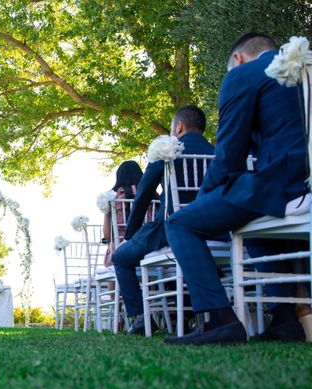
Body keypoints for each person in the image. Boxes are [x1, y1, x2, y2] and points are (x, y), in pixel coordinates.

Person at [164, 33, 308, 345]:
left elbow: (228, 156)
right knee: (251, 223)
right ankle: (284, 320)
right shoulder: (302, 68)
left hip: (286, 184)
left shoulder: (243, 75)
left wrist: (203, 202)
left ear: (238, 59)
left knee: (179, 223)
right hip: (301, 185)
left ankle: (220, 320)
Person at [112, 105, 214, 335]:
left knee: (121, 258)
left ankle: (139, 317)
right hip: (214, 230)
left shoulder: (167, 152)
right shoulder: (217, 152)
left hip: (169, 229)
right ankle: (192, 317)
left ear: (178, 127)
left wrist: (130, 234)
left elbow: (143, 196)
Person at [102, 160, 144, 268]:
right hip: (149, 246)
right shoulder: (152, 194)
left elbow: (107, 235)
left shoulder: (114, 198)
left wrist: (106, 212)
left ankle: (115, 284)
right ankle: (151, 285)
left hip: (123, 249)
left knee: (112, 257)